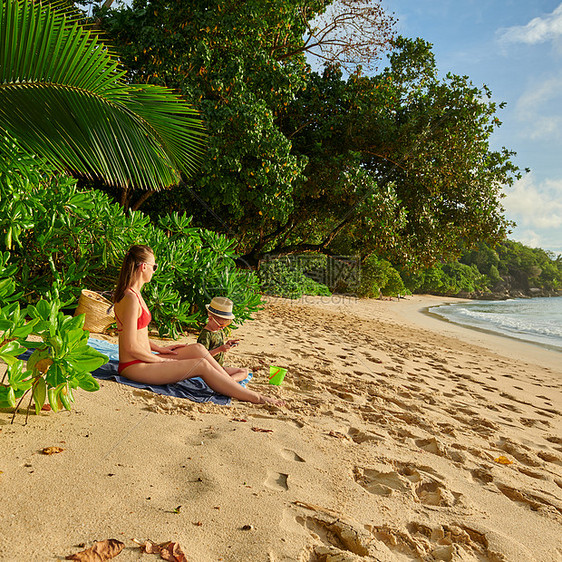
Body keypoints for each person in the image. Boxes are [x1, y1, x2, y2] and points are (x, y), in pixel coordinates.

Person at [112, 245, 283, 406]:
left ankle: (228, 383)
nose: (154, 270)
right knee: (199, 364)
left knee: (198, 349)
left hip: (144, 358)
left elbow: (137, 334)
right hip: (134, 366)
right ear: (143, 267)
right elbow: (131, 346)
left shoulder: (135, 294)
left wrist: (162, 349)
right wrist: (160, 360)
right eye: (154, 266)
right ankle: (257, 398)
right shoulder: (131, 298)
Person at [197, 297, 248, 382]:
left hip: (219, 368)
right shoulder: (205, 335)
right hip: (209, 369)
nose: (222, 328)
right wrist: (220, 349)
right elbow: (202, 357)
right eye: (220, 325)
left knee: (244, 372)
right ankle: (228, 382)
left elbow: (217, 346)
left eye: (224, 327)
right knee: (240, 373)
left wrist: (227, 344)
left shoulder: (218, 331)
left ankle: (229, 382)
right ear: (210, 319)